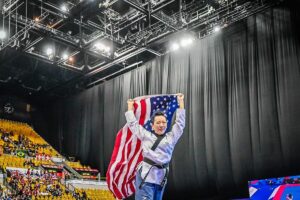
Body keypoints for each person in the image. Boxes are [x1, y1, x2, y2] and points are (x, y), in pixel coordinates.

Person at [126, 93, 185, 200]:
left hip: (161, 178)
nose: (161, 125)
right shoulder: (145, 135)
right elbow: (133, 124)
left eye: (163, 122)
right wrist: (130, 107)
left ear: (167, 124)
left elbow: (180, 124)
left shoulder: (171, 137)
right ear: (152, 126)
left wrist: (181, 102)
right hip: (146, 175)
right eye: (158, 122)